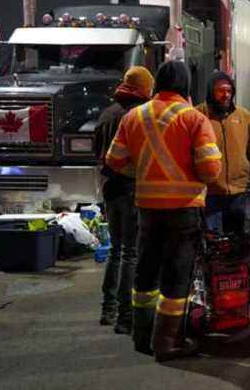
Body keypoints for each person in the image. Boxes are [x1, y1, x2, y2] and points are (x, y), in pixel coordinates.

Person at [106, 60, 222, 362]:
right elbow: (210, 170)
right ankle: (167, 342)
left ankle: (141, 337)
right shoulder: (194, 119)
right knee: (175, 277)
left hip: (147, 209)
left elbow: (114, 160)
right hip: (183, 211)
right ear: (185, 84)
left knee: (145, 274)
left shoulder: (134, 116)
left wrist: (145, 172)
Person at [95, 65, 154, 334]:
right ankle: (124, 316)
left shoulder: (106, 114)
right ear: (143, 88)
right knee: (130, 252)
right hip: (130, 189)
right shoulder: (135, 116)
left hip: (109, 190)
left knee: (115, 251)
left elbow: (98, 155)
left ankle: (107, 309)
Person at [198, 71, 250, 236]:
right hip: (209, 194)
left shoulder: (243, 117)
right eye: (220, 91)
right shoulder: (199, 115)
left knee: (237, 242)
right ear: (211, 92)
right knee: (213, 243)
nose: (225, 95)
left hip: (238, 193)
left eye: (229, 91)